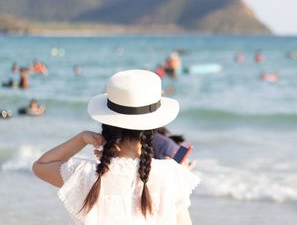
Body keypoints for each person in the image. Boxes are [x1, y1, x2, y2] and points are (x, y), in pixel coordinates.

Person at [32, 70, 199, 225]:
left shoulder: (86, 173)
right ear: (153, 128)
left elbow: (41, 166)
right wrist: (175, 173)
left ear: (108, 125)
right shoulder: (170, 174)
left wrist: (82, 138)